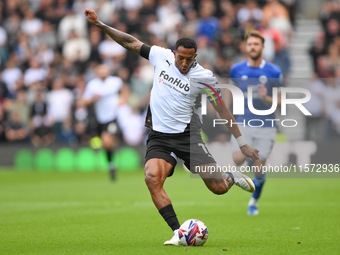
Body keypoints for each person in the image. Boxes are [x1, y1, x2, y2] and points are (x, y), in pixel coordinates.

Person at [84, 9, 259, 245]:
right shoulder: (160, 56)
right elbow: (130, 42)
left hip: (188, 136)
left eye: (190, 59)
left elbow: (221, 109)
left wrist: (242, 143)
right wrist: (102, 25)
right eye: (181, 58)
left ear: (196, 55)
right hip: (159, 135)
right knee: (152, 178)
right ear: (174, 53)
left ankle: (230, 176)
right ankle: (178, 232)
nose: (185, 63)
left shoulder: (204, 76)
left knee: (218, 188)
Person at [230, 30, 283, 216]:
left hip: (266, 126)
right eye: (250, 44)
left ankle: (254, 201)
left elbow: (281, 101)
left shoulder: (273, 71)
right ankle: (244, 171)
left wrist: (265, 97)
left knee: (258, 166)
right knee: (237, 158)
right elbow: (232, 92)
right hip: (243, 122)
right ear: (246, 47)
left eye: (256, 44)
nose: (252, 47)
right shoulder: (236, 69)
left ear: (262, 47)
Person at [80, 64, 128, 180]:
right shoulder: (93, 85)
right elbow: (83, 102)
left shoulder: (115, 81)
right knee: (101, 143)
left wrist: (123, 99)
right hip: (98, 118)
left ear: (108, 72)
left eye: (104, 71)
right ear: (97, 73)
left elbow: (124, 89)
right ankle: (111, 163)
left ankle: (111, 160)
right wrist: (93, 98)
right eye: (100, 71)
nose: (103, 73)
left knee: (106, 141)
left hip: (112, 117)